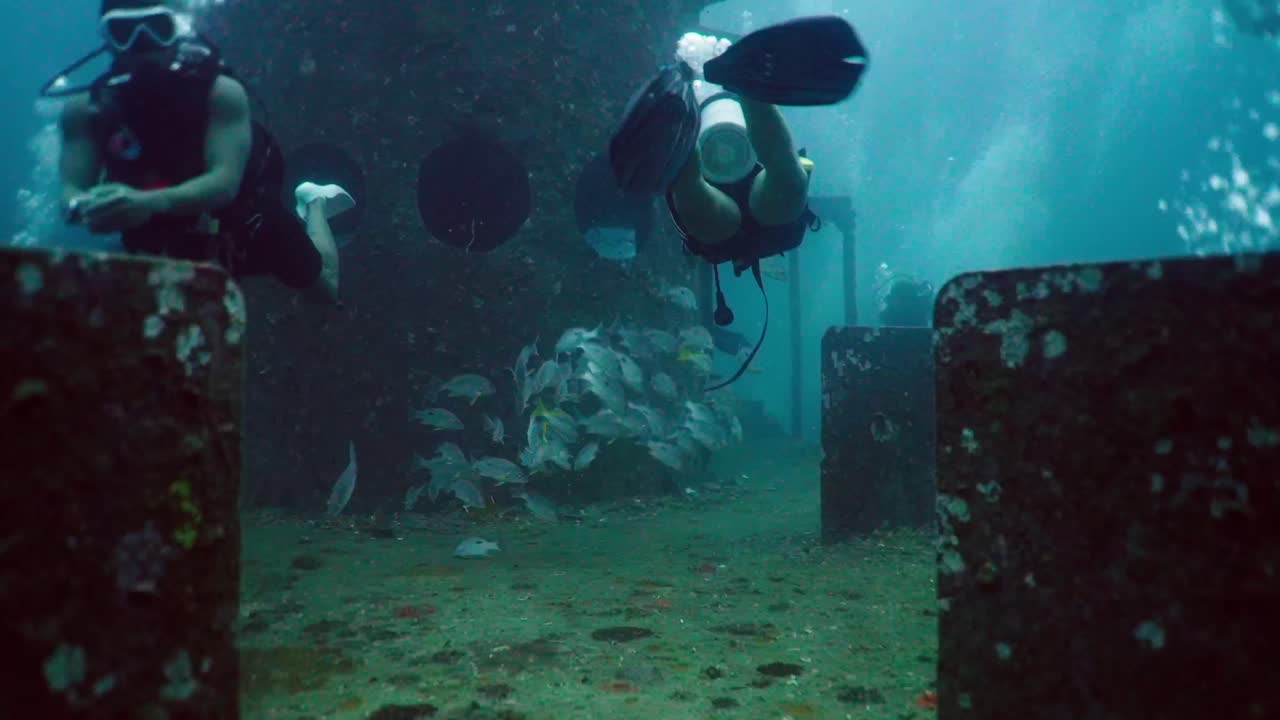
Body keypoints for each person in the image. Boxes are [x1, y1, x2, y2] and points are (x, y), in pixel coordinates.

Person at [609, 17, 868, 387]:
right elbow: (787, 167)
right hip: (761, 216)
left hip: (723, 225)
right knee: (784, 175)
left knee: (704, 189)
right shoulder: (769, 229)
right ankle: (748, 95)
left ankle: (686, 121)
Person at [50, 0, 354, 301]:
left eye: (157, 28)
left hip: (246, 216)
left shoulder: (220, 93)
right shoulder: (85, 112)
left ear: (176, 31)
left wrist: (146, 203)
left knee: (325, 287)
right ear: (108, 41)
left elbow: (224, 184)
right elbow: (71, 192)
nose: (142, 45)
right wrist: (84, 206)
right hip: (161, 227)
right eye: (123, 32)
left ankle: (314, 204)